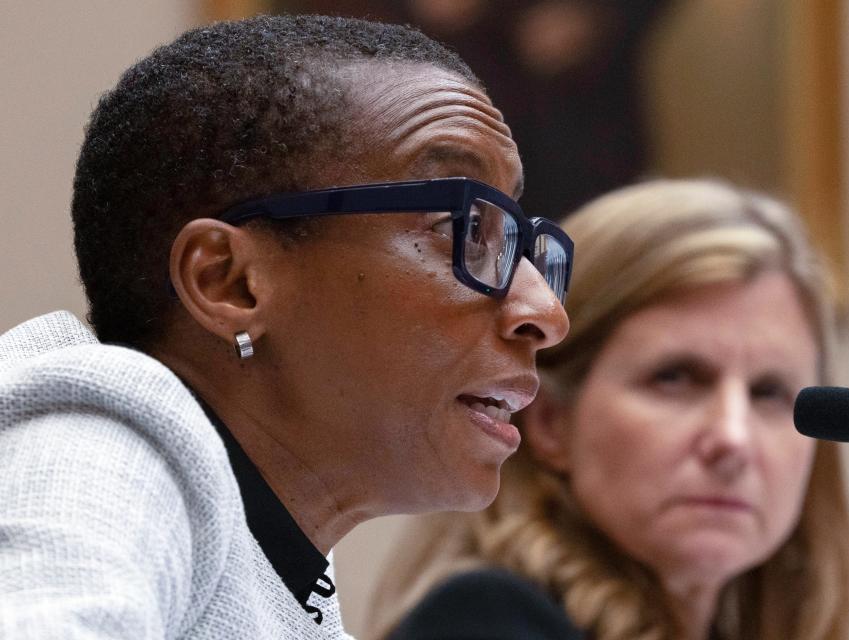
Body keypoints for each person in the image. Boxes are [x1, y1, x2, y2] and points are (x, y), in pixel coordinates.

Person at [0, 14, 571, 640]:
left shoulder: (282, 564)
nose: (545, 312)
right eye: (460, 228)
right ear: (230, 282)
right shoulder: (102, 440)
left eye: (521, 245)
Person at [369, 179, 849, 640]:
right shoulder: (483, 624)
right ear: (551, 423)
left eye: (771, 393)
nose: (733, 439)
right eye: (673, 378)